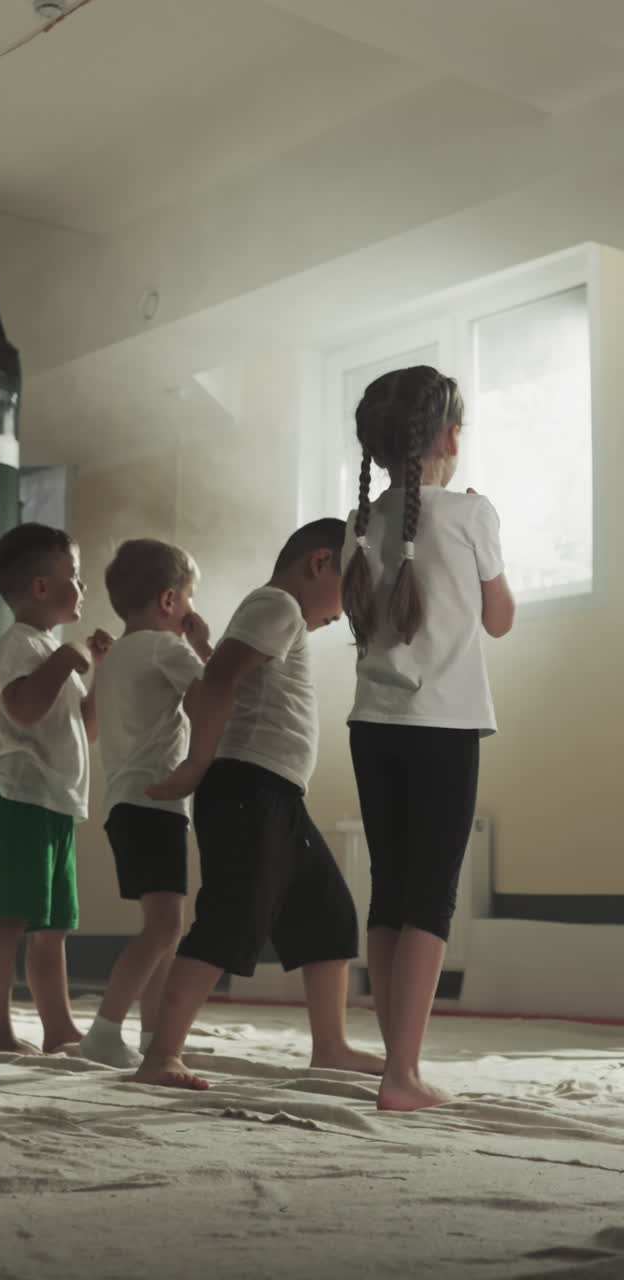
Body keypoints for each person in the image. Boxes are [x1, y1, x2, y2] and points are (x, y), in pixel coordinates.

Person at [136, 518, 386, 1090]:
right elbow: (221, 678)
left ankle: (331, 1046)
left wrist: (204, 647)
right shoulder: (279, 605)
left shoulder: (276, 613)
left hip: (278, 793)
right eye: (349, 591)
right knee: (230, 917)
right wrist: (197, 763)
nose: (345, 612)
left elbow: (232, 676)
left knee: (329, 914)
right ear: (319, 563)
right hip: (246, 787)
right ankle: (161, 1055)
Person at [341, 365, 515, 1112]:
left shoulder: (360, 524)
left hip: (372, 729)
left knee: (389, 894)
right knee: (431, 901)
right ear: (450, 437)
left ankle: (397, 1064)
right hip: (443, 728)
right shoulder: (471, 514)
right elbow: (500, 620)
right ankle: (402, 1076)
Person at [0, 522, 112, 1054]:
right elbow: (25, 709)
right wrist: (63, 659)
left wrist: (96, 672)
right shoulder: (19, 645)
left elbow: (87, 729)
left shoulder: (52, 651)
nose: (83, 586)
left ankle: (59, 1028)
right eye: (74, 575)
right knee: (6, 922)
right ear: (40, 587)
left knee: (52, 928)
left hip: (55, 805)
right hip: (17, 802)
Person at [79, 539, 212, 1069]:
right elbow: (213, 699)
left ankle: (157, 1036)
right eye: (189, 598)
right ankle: (105, 1028)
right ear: (169, 600)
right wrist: (203, 647)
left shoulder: (116, 656)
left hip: (123, 804)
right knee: (164, 928)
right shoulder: (164, 648)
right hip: (155, 801)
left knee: (164, 929)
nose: (191, 609)